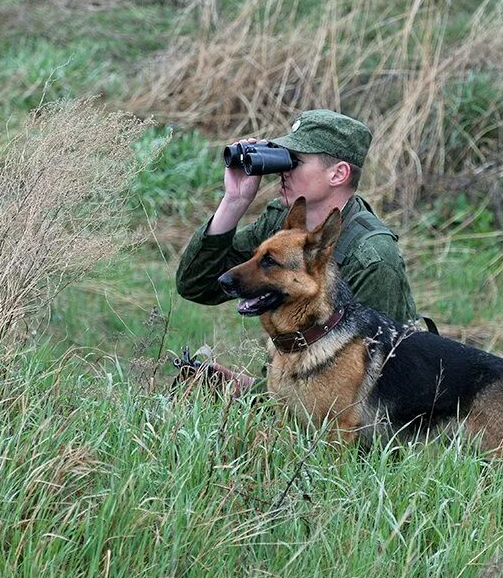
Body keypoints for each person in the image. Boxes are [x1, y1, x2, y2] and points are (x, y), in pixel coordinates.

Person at [176, 109, 418, 393]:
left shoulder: (372, 256)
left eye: (295, 161)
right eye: (283, 157)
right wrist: (234, 201)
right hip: (293, 386)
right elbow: (198, 286)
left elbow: (372, 384)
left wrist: (250, 392)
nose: (283, 170)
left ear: (338, 173)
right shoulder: (284, 222)